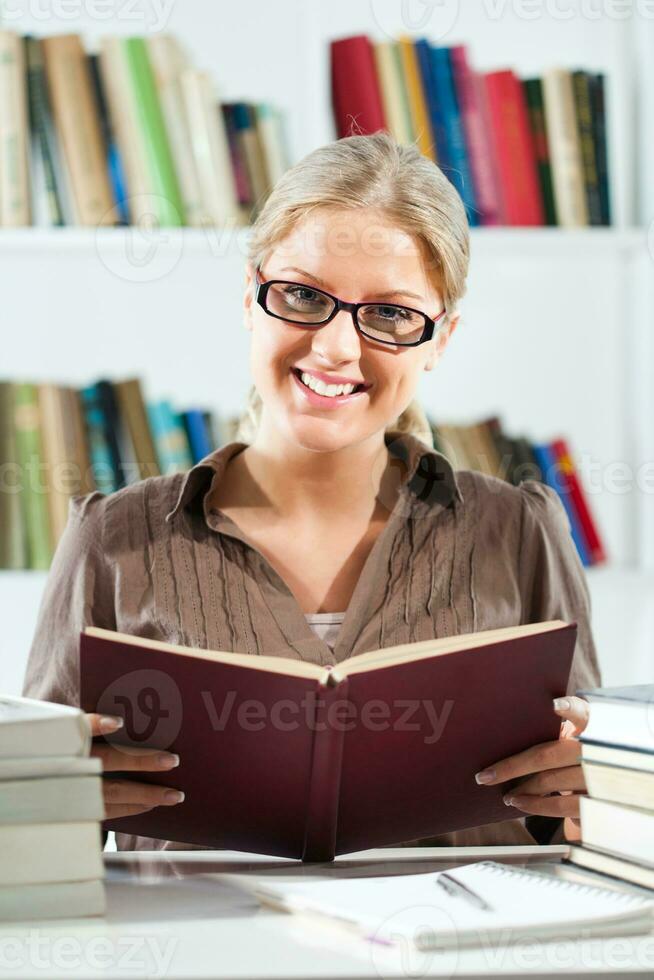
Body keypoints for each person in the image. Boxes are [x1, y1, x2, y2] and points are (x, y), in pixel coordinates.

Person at [22, 131, 601, 851]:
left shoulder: (519, 530)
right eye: (301, 295)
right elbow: (31, 847)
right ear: (249, 296)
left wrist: (600, 799)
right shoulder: (113, 539)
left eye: (390, 314)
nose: (335, 349)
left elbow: (591, 820)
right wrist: (49, 806)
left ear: (441, 338)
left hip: (464, 959)